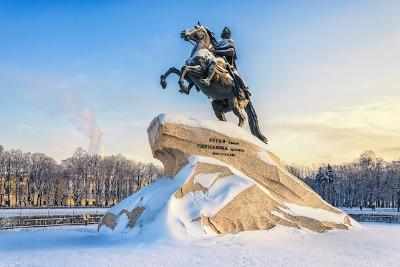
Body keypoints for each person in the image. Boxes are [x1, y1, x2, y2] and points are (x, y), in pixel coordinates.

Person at [200, 27, 250, 99]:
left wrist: (216, 51)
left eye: (224, 32)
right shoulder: (219, 43)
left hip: (227, 64)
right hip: (217, 59)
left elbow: (231, 52)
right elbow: (214, 48)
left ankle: (245, 90)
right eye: (223, 32)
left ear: (227, 34)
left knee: (236, 75)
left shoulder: (230, 41)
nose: (223, 34)